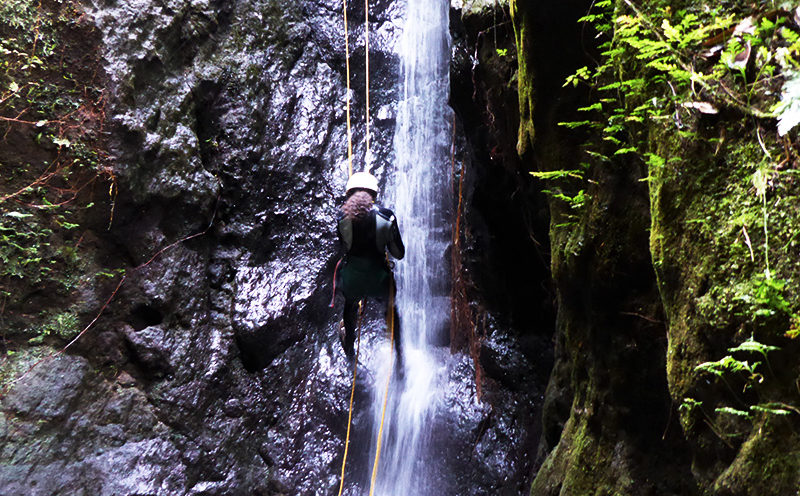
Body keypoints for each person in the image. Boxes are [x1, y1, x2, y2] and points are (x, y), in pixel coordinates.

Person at [335, 171, 405, 368]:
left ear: (349, 194)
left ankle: (350, 350)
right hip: (378, 278)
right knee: (391, 309)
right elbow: (398, 253)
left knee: (349, 307)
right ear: (373, 195)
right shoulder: (386, 216)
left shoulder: (341, 219)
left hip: (353, 278)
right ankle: (400, 356)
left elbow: (344, 247)